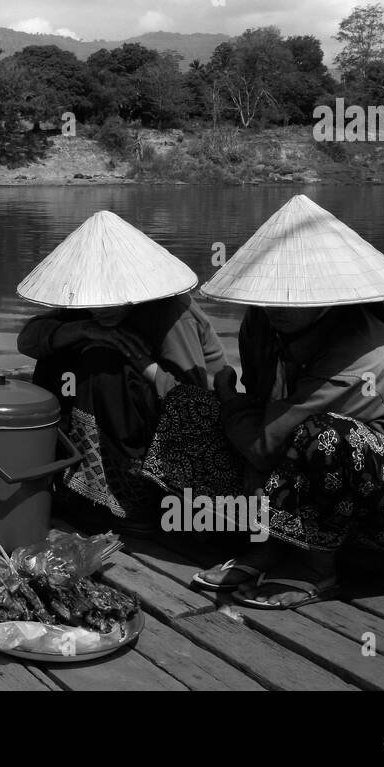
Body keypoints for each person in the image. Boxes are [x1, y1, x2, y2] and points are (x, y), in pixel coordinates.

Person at [190, 194, 384, 609]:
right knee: (189, 407)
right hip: (310, 485)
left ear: (331, 298)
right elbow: (268, 417)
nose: (273, 308)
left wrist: (229, 397)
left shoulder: (366, 356)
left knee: (331, 436)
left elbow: (266, 445)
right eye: (266, 296)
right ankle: (271, 543)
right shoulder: (261, 326)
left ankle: (315, 570)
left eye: (293, 298)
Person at [15, 210, 230, 532]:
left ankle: (136, 492)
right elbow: (29, 340)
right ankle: (76, 477)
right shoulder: (88, 311)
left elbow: (191, 398)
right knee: (57, 357)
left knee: (103, 364)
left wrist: (143, 365)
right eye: (94, 301)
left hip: (187, 425)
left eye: (110, 301)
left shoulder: (171, 313)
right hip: (126, 413)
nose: (101, 309)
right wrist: (86, 330)